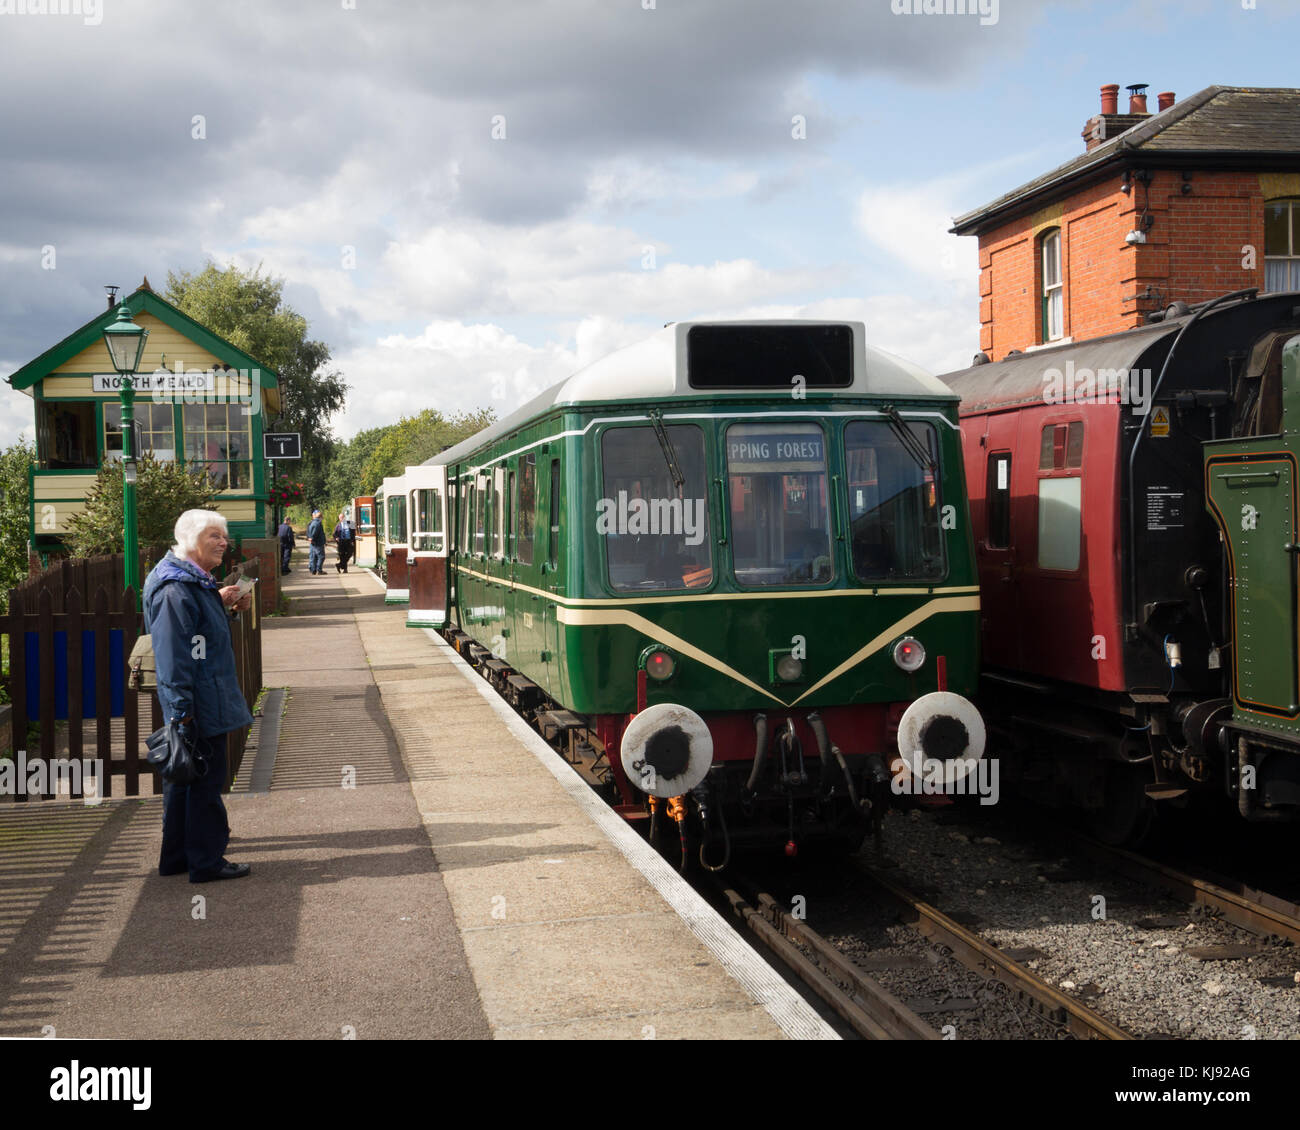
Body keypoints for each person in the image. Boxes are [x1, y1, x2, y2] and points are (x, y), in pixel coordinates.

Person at [143, 510, 254, 883]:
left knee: (183, 780)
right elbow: (175, 658)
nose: (224, 542)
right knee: (205, 782)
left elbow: (197, 641)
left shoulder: (189, 582)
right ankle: (206, 862)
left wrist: (223, 607)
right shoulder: (176, 589)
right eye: (214, 536)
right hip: (199, 704)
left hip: (199, 699)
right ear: (191, 540)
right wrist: (181, 715)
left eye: (224, 535)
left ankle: (176, 858)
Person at [306, 509, 326, 575]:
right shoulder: (317, 523)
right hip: (318, 543)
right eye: (322, 518)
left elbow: (308, 531)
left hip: (314, 543)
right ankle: (319, 570)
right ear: (320, 517)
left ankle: (313, 570)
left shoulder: (312, 522)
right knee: (321, 556)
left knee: (313, 557)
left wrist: (310, 538)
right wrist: (312, 538)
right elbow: (315, 533)